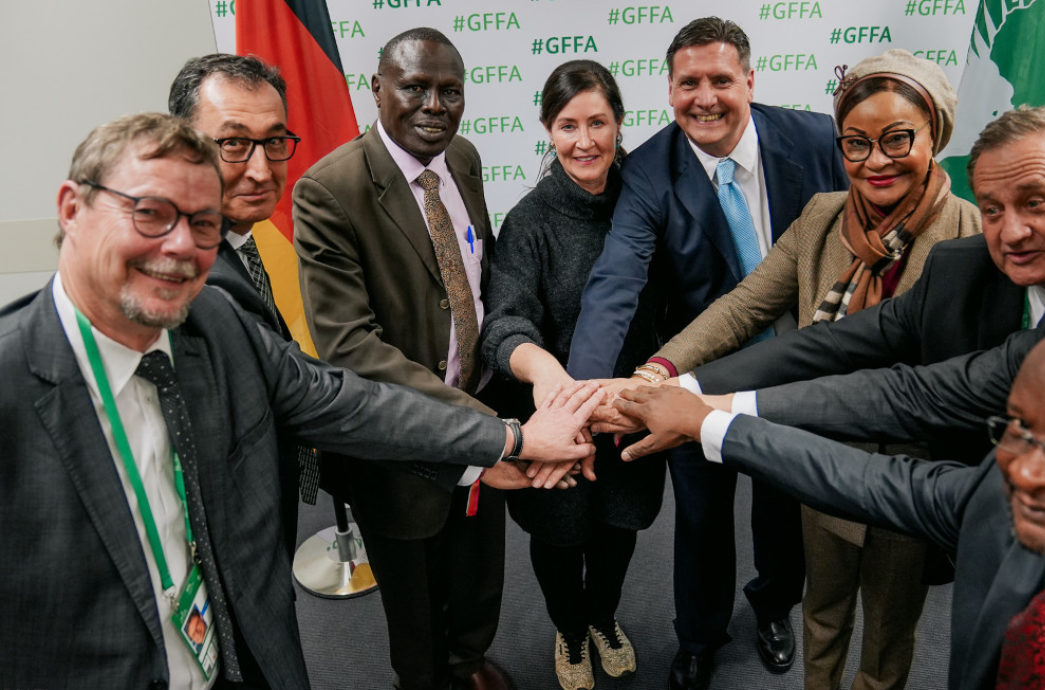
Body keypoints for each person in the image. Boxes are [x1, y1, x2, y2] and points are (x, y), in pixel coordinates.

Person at [0, 112, 599, 689]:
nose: (180, 246)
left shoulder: (215, 320)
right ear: (72, 209)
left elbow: (348, 404)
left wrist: (508, 438)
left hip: (243, 661)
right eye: (152, 214)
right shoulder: (11, 382)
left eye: (204, 223)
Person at [616, 306, 1045, 690]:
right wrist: (704, 422)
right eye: (1019, 430)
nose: (1032, 474)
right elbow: (862, 477)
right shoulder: (1000, 499)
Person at [627, 49, 979, 690]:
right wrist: (660, 369)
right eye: (856, 143)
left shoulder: (971, 240)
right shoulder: (820, 217)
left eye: (897, 139)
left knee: (890, 633)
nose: (875, 161)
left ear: (935, 138)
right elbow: (741, 307)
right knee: (822, 613)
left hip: (910, 472)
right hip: (817, 454)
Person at [669, 115, 1045, 480]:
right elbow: (843, 353)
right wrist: (686, 390)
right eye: (992, 210)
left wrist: (706, 413)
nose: (1011, 233)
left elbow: (910, 396)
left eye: (1036, 202)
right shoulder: (964, 271)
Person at [565, 17, 847, 689]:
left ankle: (774, 605)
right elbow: (616, 279)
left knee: (784, 498)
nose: (706, 98)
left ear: (750, 80)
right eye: (688, 83)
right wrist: (576, 395)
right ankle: (699, 634)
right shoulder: (649, 172)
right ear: (669, 90)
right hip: (691, 374)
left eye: (722, 80)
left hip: (796, 363)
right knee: (700, 514)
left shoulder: (815, 140)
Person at [293, 27, 521, 690]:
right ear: (376, 89)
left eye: (450, 91)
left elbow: (479, 276)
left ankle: (467, 663)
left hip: (483, 413)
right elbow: (350, 345)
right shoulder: (329, 189)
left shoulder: (466, 158)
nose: (434, 105)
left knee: (478, 574)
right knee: (413, 604)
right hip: (402, 442)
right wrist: (475, 421)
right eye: (415, 87)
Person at [479, 60, 664, 690]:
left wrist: (643, 392)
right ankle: (569, 628)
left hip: (632, 415)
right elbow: (504, 325)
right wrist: (551, 380)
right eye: (567, 125)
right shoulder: (529, 221)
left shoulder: (648, 208)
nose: (584, 141)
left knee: (617, 534)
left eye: (598, 123)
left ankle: (604, 618)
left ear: (619, 124)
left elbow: (674, 317)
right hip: (557, 424)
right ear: (546, 130)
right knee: (560, 539)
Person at [168, 53, 318, 553]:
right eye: (233, 143)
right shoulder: (182, 277)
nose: (260, 170)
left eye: (275, 142)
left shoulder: (238, 239)